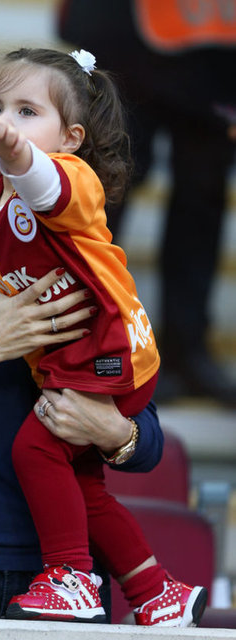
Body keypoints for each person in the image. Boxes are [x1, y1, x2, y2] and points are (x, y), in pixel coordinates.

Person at [0, 46, 206, 628]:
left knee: (34, 450)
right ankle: (159, 593)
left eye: (27, 112)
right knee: (85, 491)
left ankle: (72, 577)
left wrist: (18, 152)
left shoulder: (68, 181)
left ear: (71, 138)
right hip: (74, 363)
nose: (7, 122)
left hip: (107, 352)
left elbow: (42, 182)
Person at [57, 0, 236, 406]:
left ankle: (187, 351)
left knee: (203, 194)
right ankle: (84, 342)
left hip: (213, 48)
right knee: (106, 186)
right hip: (125, 34)